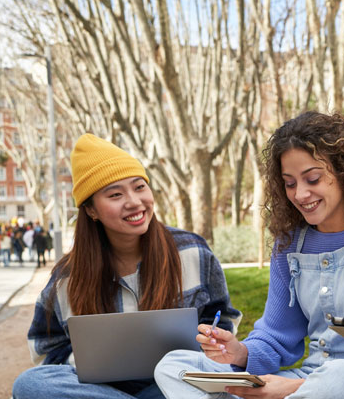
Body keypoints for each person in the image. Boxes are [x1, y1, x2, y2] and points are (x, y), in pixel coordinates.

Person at [154, 112, 344, 399]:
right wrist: (238, 352)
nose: (301, 194)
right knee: (174, 365)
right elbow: (277, 335)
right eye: (290, 183)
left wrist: (289, 389)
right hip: (307, 380)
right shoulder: (289, 244)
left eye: (312, 179)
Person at [12, 134, 241, 399]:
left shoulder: (192, 250)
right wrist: (90, 364)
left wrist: (211, 338)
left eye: (139, 186)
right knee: (29, 384)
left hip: (176, 383)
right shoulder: (67, 278)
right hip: (103, 391)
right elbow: (46, 349)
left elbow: (223, 317)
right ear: (91, 210)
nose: (134, 201)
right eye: (116, 194)